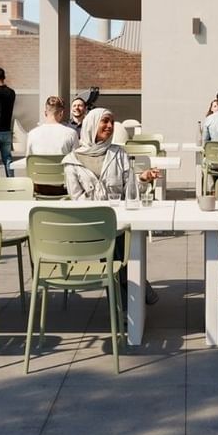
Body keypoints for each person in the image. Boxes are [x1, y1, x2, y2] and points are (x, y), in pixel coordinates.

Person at [63, 108, 161, 304]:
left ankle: (123, 306)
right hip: (90, 225)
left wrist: (142, 179)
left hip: (118, 223)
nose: (109, 126)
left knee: (118, 245)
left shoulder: (119, 153)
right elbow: (77, 198)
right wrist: (101, 216)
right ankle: (134, 296)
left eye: (112, 122)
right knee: (118, 249)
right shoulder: (71, 161)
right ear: (92, 125)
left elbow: (129, 191)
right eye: (105, 121)